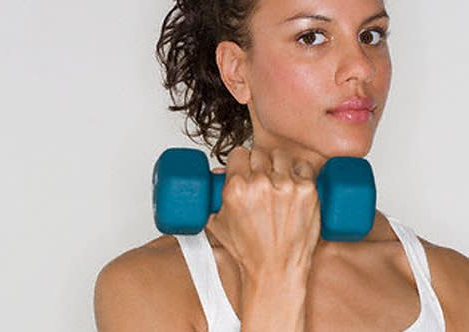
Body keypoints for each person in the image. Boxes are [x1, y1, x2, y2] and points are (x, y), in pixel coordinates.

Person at [94, 0, 469, 330]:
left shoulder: (450, 284)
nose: (361, 67)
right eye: (312, 37)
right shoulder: (146, 287)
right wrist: (273, 276)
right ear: (236, 71)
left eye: (371, 36)